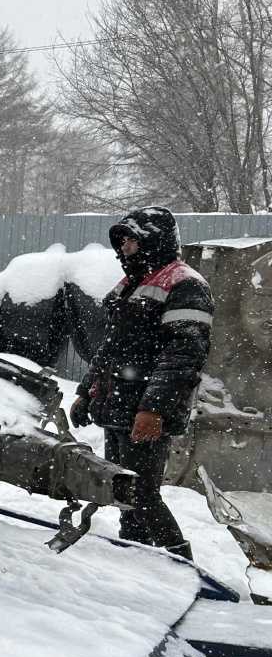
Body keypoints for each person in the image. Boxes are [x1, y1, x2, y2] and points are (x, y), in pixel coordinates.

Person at [70, 206, 214, 561]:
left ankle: (181, 562)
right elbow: (110, 348)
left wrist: (153, 410)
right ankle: (136, 556)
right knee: (122, 490)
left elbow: (182, 357)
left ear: (154, 241)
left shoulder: (185, 284)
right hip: (118, 404)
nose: (125, 249)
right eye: (124, 242)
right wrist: (86, 392)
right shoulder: (132, 285)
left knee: (142, 493)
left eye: (133, 241)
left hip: (144, 411)